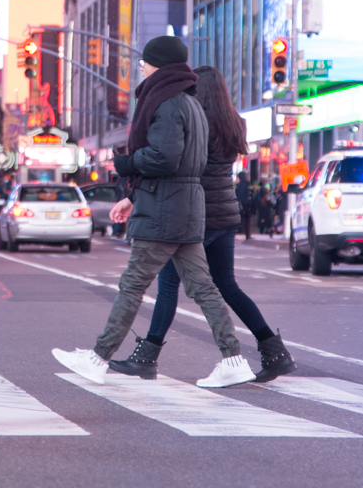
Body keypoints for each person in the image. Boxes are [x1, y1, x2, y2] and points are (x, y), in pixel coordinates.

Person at [53, 36, 255, 388]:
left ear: (157, 64)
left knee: (133, 283)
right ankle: (233, 358)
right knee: (204, 288)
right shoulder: (191, 102)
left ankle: (98, 357)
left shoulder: (166, 102)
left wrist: (125, 162)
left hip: (164, 209)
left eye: (145, 62)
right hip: (188, 206)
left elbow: (164, 157)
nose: (141, 68)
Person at [113, 65, 296, 383]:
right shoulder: (234, 123)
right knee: (228, 285)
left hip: (191, 216)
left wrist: (134, 197)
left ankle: (147, 355)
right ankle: (274, 349)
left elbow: (177, 170)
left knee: (168, 286)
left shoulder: (192, 121)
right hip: (225, 216)